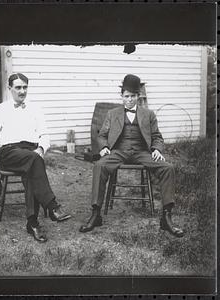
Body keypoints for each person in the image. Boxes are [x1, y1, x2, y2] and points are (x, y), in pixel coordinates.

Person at [79, 74, 184, 238]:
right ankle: (95, 213)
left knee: (167, 168)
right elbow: (102, 135)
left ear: (138, 96)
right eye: (126, 96)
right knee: (99, 166)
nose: (129, 100)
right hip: (118, 151)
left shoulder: (148, 114)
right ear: (121, 96)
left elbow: (157, 136)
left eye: (133, 96)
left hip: (142, 152)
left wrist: (156, 149)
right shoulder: (112, 114)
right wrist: (104, 147)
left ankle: (167, 216)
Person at [0, 73, 71, 243]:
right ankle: (52, 206)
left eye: (25, 87)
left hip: (30, 152)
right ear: (9, 88)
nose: (22, 91)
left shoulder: (36, 109)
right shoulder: (0, 109)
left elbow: (45, 135)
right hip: (9, 152)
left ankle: (32, 223)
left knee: (33, 165)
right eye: (18, 87)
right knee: (34, 160)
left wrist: (41, 148)